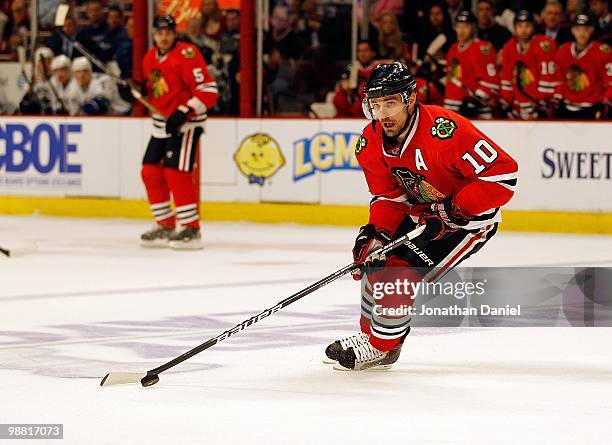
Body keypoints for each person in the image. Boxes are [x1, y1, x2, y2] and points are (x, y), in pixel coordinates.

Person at [324, 62, 518, 371]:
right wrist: (378, 233)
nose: (382, 113)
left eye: (390, 102)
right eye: (375, 104)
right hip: (422, 212)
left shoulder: (446, 130)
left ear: (411, 99)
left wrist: (454, 210)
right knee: (376, 261)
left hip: (467, 222)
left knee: (399, 273)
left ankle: (384, 347)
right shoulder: (370, 142)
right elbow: (389, 197)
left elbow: (503, 177)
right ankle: (370, 336)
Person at [140, 15, 218, 249]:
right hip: (161, 124)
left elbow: (208, 90)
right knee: (150, 172)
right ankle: (165, 224)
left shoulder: (188, 55)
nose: (164, 37)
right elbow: (156, 89)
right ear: (154, 35)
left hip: (186, 124)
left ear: (174, 34)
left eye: (168, 33)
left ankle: (190, 228)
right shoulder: (150, 57)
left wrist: (184, 111)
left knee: (177, 173)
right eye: (160, 33)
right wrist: (135, 90)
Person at [500, 10, 558, 119]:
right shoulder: (509, 47)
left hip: (539, 105)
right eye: (520, 26)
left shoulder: (543, 44)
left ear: (533, 27)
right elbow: (507, 76)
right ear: (515, 28)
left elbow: (548, 76)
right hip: (517, 106)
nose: (523, 30)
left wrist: (541, 103)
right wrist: (507, 101)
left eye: (527, 26)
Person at [553, 13, 611, 119]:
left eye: (585, 29)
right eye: (578, 29)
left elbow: (609, 83)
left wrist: (605, 104)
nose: (581, 33)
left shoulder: (602, 52)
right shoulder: (562, 51)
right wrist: (557, 99)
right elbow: (559, 79)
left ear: (591, 30)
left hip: (591, 108)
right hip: (566, 107)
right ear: (572, 30)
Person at [444, 10, 499, 118]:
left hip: (477, 109)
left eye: (466, 27)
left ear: (474, 27)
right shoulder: (452, 49)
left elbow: (493, 81)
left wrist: (475, 100)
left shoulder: (483, 49)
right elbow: (451, 78)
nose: (461, 31)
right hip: (451, 106)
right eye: (458, 26)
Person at [65, 56, 130, 115]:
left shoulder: (103, 80)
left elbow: (102, 103)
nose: (82, 75)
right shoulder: (72, 87)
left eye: (85, 71)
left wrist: (84, 111)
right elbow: (74, 112)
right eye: (78, 72)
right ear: (74, 74)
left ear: (90, 72)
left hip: (122, 115)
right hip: (99, 120)